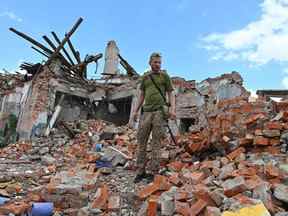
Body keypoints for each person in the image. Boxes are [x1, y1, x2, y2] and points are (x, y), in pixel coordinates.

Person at [132, 52, 176, 183]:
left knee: (157, 142)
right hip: (146, 113)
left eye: (159, 63)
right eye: (155, 62)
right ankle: (140, 171)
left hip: (159, 112)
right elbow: (141, 95)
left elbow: (171, 93)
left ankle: (153, 172)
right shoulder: (145, 77)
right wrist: (135, 111)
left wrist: (172, 109)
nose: (157, 65)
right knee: (141, 142)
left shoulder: (165, 77)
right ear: (150, 63)